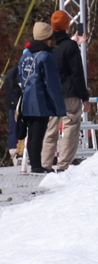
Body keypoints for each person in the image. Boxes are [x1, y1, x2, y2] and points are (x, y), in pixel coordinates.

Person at [40, 10, 88, 172]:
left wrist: (75, 41)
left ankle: (45, 163)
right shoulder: (70, 46)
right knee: (70, 127)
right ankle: (63, 165)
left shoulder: (46, 45)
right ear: (67, 25)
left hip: (51, 93)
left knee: (51, 129)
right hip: (68, 93)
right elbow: (76, 73)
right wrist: (84, 97)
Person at [16, 22, 63, 175]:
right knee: (38, 133)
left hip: (26, 99)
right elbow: (52, 82)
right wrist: (59, 106)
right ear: (47, 38)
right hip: (40, 100)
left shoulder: (26, 55)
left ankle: (35, 163)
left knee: (31, 132)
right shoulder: (46, 56)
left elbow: (20, 76)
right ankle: (37, 166)